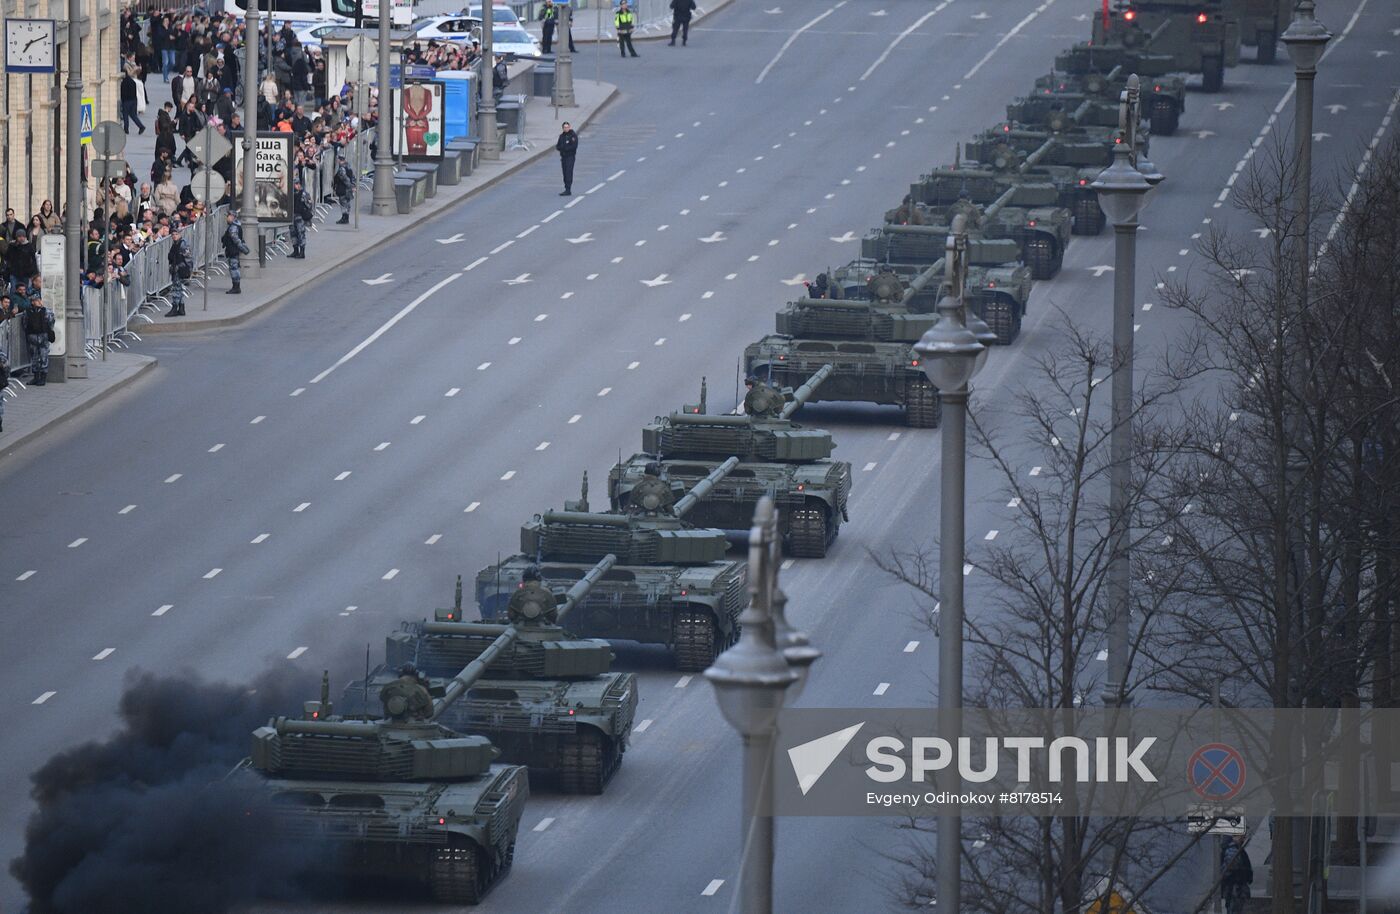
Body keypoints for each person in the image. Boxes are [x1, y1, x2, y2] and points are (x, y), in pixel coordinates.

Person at [22, 290, 54, 386]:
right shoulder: (27, 312)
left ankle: (43, 378)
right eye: (36, 300)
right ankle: (36, 377)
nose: (38, 302)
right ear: (32, 301)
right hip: (32, 337)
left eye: (39, 300)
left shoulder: (46, 311)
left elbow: (51, 323)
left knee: (44, 357)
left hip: (43, 336)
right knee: (34, 357)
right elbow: (25, 324)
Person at [1220, 834, 1253, 914]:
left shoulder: (1236, 849)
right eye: (1241, 836)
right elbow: (1231, 869)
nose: (1243, 838)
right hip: (1235, 889)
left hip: (1235, 889)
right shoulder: (1233, 850)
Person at [220, 212, 249, 294]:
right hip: (232, 250)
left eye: (228, 216)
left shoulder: (233, 227)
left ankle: (236, 287)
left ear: (232, 217)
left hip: (233, 250)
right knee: (234, 268)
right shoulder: (235, 226)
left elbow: (236, 240)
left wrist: (244, 249)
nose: (227, 218)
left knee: (234, 268)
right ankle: (236, 286)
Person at [166, 226, 190, 317]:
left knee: (176, 289)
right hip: (176, 269)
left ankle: (175, 308)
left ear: (180, 234)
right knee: (178, 288)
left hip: (180, 270)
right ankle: (181, 307)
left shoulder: (182, 244)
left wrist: (185, 269)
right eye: (173, 234)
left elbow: (188, 258)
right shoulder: (176, 244)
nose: (174, 236)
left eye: (176, 234)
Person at [291, 179, 313, 258]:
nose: (297, 185)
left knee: (301, 233)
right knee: (293, 234)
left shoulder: (304, 194)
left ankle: (302, 252)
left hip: (300, 217)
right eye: (295, 184)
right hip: (292, 215)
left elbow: (309, 205)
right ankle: (295, 250)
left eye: (298, 183)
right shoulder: (291, 193)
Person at [556, 122, 577, 196]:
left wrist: (565, 148)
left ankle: (568, 189)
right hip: (563, 157)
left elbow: (574, 146)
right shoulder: (561, 136)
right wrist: (561, 149)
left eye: (567, 127)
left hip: (570, 157)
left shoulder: (573, 136)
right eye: (564, 127)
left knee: (568, 172)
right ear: (563, 128)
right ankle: (566, 188)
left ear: (569, 127)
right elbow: (558, 146)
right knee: (564, 173)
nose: (566, 128)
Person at [333, 154, 355, 224]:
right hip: (347, 189)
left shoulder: (342, 168)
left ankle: (344, 218)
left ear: (339, 159)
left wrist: (350, 186)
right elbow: (353, 177)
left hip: (343, 188)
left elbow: (344, 178)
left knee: (343, 203)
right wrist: (353, 186)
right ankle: (346, 218)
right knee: (347, 203)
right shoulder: (348, 167)